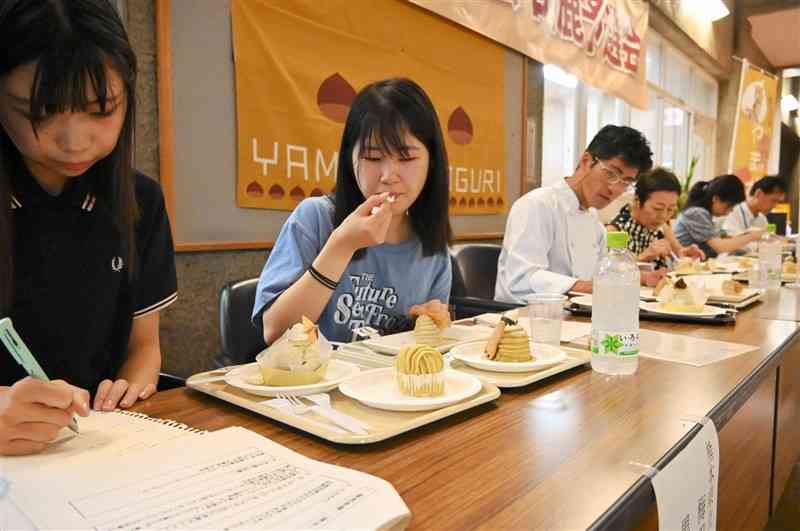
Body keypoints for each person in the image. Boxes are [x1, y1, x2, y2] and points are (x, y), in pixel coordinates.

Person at [0, 0, 177, 456]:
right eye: (41, 112)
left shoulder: (141, 202)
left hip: (96, 450)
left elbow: (144, 346)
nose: (74, 141)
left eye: (101, 110)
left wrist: (131, 389)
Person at [252, 78, 452, 344]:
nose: (388, 175)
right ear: (350, 158)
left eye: (406, 158)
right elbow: (276, 332)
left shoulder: (432, 248)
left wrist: (430, 320)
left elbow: (423, 349)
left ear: (432, 162)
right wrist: (342, 245)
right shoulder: (316, 218)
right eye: (372, 157)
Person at [495, 125, 658, 302]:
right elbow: (521, 280)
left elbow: (603, 275)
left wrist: (637, 276)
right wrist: (588, 288)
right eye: (611, 174)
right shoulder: (537, 205)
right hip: (521, 319)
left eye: (626, 182)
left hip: (573, 317)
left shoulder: (595, 224)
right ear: (587, 161)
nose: (615, 188)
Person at [607, 168, 705, 269]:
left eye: (670, 209)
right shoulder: (614, 231)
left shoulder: (662, 227)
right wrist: (643, 257)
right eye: (657, 209)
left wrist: (684, 254)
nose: (663, 216)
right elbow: (613, 272)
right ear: (637, 201)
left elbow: (679, 252)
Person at [673, 174, 762, 258]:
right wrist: (752, 236)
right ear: (716, 199)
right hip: (683, 266)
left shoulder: (705, 214)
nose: (730, 211)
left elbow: (723, 239)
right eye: (729, 206)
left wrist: (745, 236)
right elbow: (720, 247)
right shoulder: (697, 213)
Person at [722, 175, 786, 252]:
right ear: (758, 193)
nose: (775, 206)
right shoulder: (734, 211)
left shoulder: (762, 219)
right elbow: (730, 242)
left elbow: (766, 242)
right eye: (773, 200)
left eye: (778, 202)